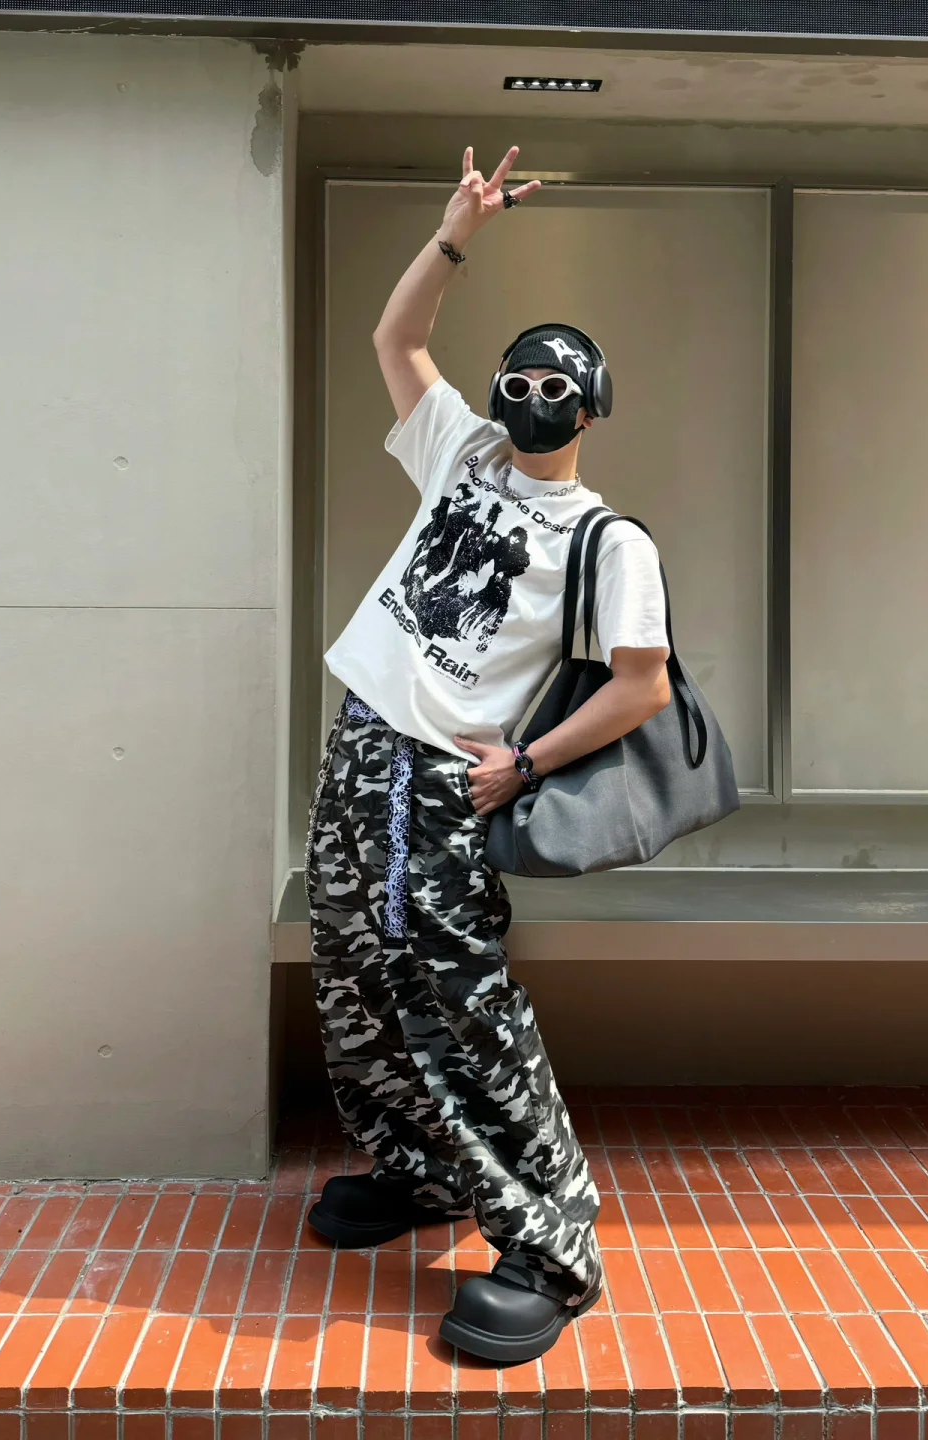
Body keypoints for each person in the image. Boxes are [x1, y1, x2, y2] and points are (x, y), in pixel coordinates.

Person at [304, 145, 671, 1365]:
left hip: (444, 779)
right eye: (520, 375)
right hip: (362, 743)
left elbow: (641, 687)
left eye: (557, 384)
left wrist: (525, 762)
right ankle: (418, 1168)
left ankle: (552, 1245)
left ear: (589, 407)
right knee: (355, 971)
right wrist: (459, 227)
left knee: (458, 1004)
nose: (531, 395)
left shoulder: (607, 541)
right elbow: (397, 339)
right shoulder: (460, 452)